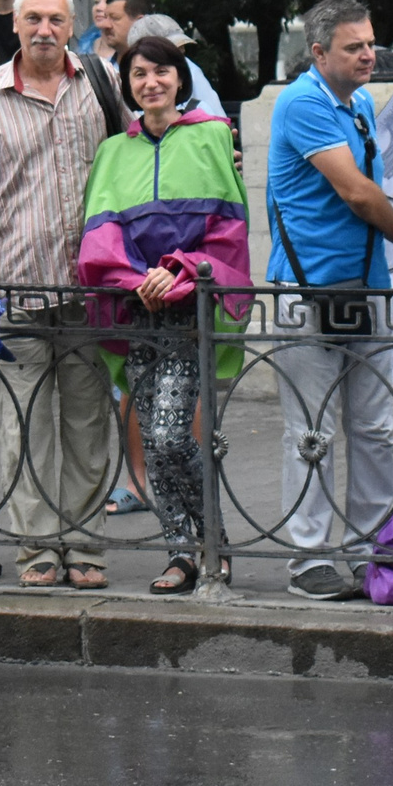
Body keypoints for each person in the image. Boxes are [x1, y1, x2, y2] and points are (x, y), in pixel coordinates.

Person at [0, 0, 120, 588]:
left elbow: (138, 153)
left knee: (88, 422)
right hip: (15, 292)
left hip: (89, 290)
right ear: (15, 25)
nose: (45, 30)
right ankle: (38, 549)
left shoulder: (102, 82)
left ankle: (86, 546)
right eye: (34, 19)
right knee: (25, 426)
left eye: (56, 19)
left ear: (71, 27)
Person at [263, 0, 393, 600]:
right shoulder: (303, 102)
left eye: (370, 43)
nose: (368, 55)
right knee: (311, 431)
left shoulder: (359, 103)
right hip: (307, 290)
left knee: (375, 428)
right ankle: (309, 558)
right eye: (353, 47)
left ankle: (370, 550)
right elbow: (358, 193)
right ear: (318, 52)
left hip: (365, 287)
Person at [78, 34, 251, 593]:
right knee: (153, 442)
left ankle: (213, 542)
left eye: (161, 71)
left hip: (187, 311)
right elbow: (99, 237)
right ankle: (182, 552)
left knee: (172, 435)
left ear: (180, 78)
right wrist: (139, 281)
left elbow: (228, 233)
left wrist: (176, 273)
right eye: (138, 74)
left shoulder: (212, 137)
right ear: (127, 86)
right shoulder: (112, 152)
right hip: (136, 311)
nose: (150, 82)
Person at [124, 13, 224, 117]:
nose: (151, 84)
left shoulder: (191, 70)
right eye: (140, 74)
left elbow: (217, 116)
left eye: (180, 50)